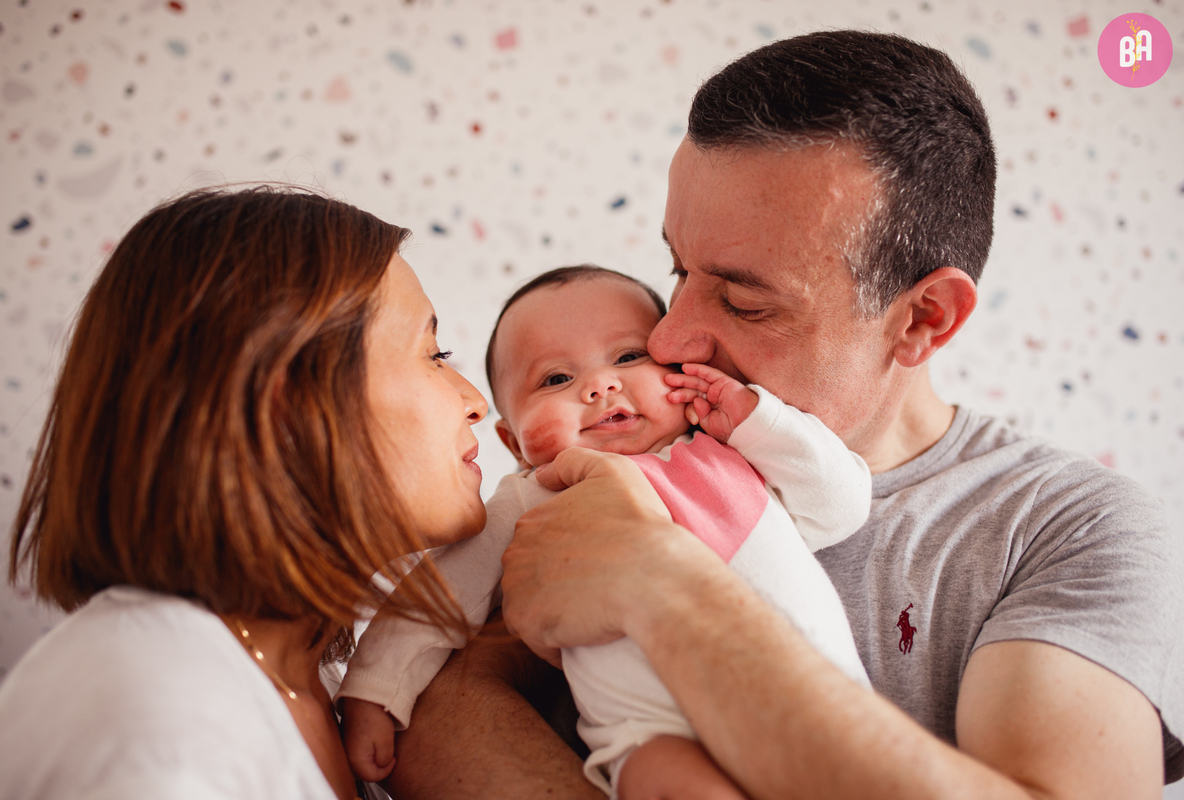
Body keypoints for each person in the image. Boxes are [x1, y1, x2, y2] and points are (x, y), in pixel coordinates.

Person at [386, 30, 1183, 800]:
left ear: (922, 319)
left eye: (742, 300)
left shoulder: (1062, 530)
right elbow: (439, 714)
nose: (666, 335)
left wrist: (660, 587)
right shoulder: (609, 461)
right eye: (676, 267)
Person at [0, 187, 561, 799]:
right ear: (283, 405)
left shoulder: (312, 686)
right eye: (434, 354)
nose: (474, 402)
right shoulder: (159, 731)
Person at [337, 265, 872, 799]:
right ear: (513, 441)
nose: (601, 385)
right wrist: (376, 692)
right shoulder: (539, 495)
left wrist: (760, 420)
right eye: (555, 379)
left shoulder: (732, 453)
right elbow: (442, 594)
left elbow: (840, 507)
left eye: (629, 357)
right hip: (654, 733)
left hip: (810, 696)